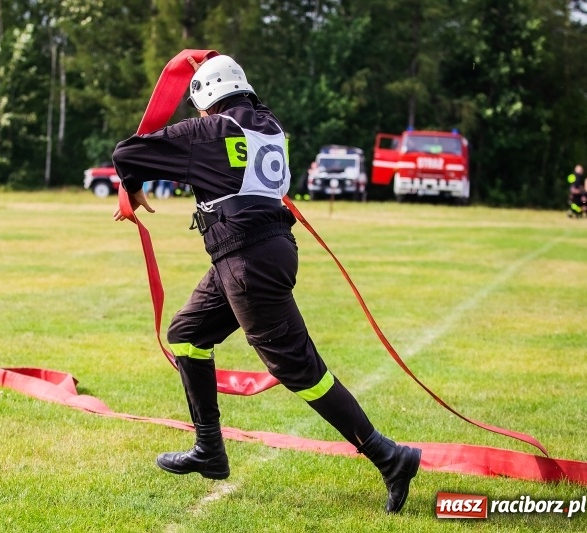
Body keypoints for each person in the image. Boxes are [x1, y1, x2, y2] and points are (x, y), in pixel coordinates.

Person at [111, 54, 421, 514]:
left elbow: (127, 152)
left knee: (301, 372)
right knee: (188, 335)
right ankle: (209, 450)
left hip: (246, 262)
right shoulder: (269, 126)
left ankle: (388, 456)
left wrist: (133, 183)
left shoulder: (209, 131)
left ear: (205, 99)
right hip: (261, 251)